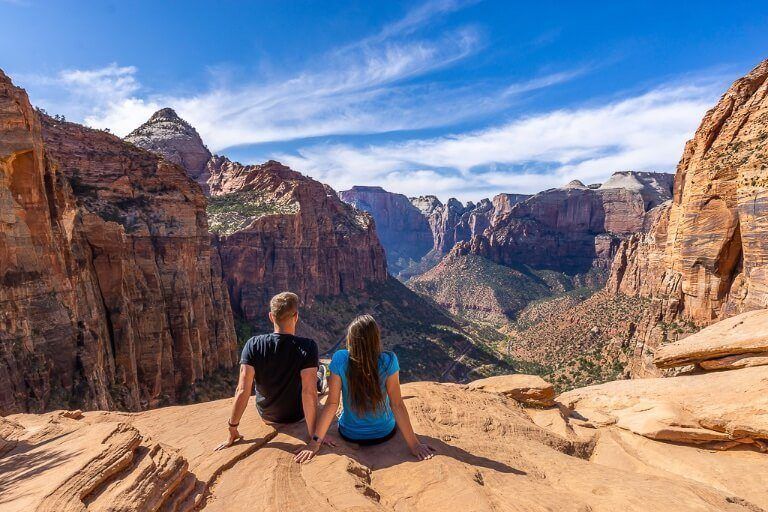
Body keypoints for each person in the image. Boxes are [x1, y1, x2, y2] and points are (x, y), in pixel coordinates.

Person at [294, 314, 435, 463]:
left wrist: (315, 442)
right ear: (375, 338)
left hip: (350, 434)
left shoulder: (340, 358)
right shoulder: (389, 360)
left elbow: (332, 404)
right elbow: (397, 404)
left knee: (341, 412)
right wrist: (415, 445)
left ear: (351, 338)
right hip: (384, 433)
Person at [216, 292, 328, 450]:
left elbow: (242, 390)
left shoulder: (253, 344)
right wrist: (313, 436)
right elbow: (308, 392)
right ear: (296, 316)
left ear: (271, 316)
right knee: (314, 379)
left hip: (268, 416)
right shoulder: (308, 346)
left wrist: (232, 429)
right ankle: (320, 379)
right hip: (297, 416)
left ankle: (319, 378)